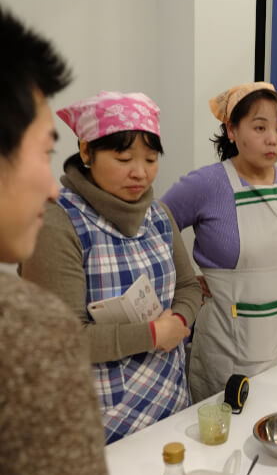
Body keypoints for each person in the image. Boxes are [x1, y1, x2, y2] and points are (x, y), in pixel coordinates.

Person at [20, 90, 202, 444]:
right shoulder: (57, 222)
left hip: (169, 403)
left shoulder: (159, 215)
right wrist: (152, 335)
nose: (140, 173)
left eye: (151, 159)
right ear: (86, 150)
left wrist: (179, 320)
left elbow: (188, 287)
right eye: (123, 158)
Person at [0, 5, 117, 475]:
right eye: (45, 152)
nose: (51, 188)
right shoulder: (27, 332)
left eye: (150, 159)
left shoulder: (159, 216)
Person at [161, 82, 277, 401]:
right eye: (260, 127)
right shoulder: (207, 185)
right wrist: (183, 281)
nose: (273, 138)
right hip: (235, 344)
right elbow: (156, 229)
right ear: (232, 130)